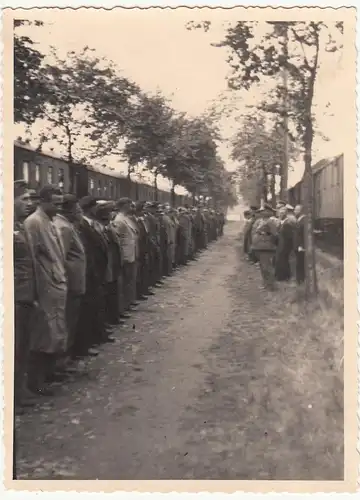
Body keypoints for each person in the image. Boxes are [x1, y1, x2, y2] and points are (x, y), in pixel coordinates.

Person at [24, 185, 68, 396]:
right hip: (45, 285)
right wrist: (36, 290)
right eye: (55, 203)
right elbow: (31, 258)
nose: (58, 208)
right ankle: (37, 381)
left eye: (60, 203)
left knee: (56, 329)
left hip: (56, 282)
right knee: (44, 333)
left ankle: (50, 372)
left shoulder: (49, 221)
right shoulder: (34, 222)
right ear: (43, 201)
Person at [53, 194, 87, 376]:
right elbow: (61, 258)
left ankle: (65, 359)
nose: (80, 213)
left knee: (70, 321)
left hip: (74, 282)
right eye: (78, 209)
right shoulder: (65, 228)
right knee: (67, 322)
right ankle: (62, 361)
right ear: (70, 210)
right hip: (71, 283)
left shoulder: (67, 225)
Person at [13, 180, 37, 411]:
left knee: (22, 346)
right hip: (15, 299)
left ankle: (20, 389)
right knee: (14, 348)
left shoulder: (20, 227)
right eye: (24, 199)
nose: (29, 204)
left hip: (26, 296)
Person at [112, 198, 139, 313]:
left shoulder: (125, 219)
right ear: (124, 206)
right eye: (129, 205)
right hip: (126, 254)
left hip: (131, 253)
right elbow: (118, 239)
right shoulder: (119, 220)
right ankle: (123, 306)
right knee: (125, 281)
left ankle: (128, 303)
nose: (131, 207)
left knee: (130, 280)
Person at [250, 204, 278, 290]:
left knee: (267, 267)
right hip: (258, 246)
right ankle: (265, 284)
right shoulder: (259, 221)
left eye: (263, 211)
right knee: (262, 267)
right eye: (261, 211)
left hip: (266, 247)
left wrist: (268, 239)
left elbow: (275, 234)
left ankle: (271, 285)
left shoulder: (270, 222)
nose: (261, 212)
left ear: (268, 212)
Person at [275, 205, 294, 282]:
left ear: (285, 214)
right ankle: (282, 276)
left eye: (282, 213)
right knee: (281, 260)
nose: (280, 215)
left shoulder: (287, 223)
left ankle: (284, 276)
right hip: (280, 244)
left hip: (285, 245)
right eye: (280, 213)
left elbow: (289, 236)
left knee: (283, 260)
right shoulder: (281, 222)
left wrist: (287, 246)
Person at [294, 204, 306, 284]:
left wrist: (301, 245)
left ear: (300, 211)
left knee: (300, 263)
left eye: (296, 210)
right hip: (298, 245)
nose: (294, 211)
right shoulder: (299, 219)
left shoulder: (304, 220)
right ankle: (299, 279)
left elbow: (304, 234)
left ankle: (301, 280)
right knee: (299, 262)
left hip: (301, 246)